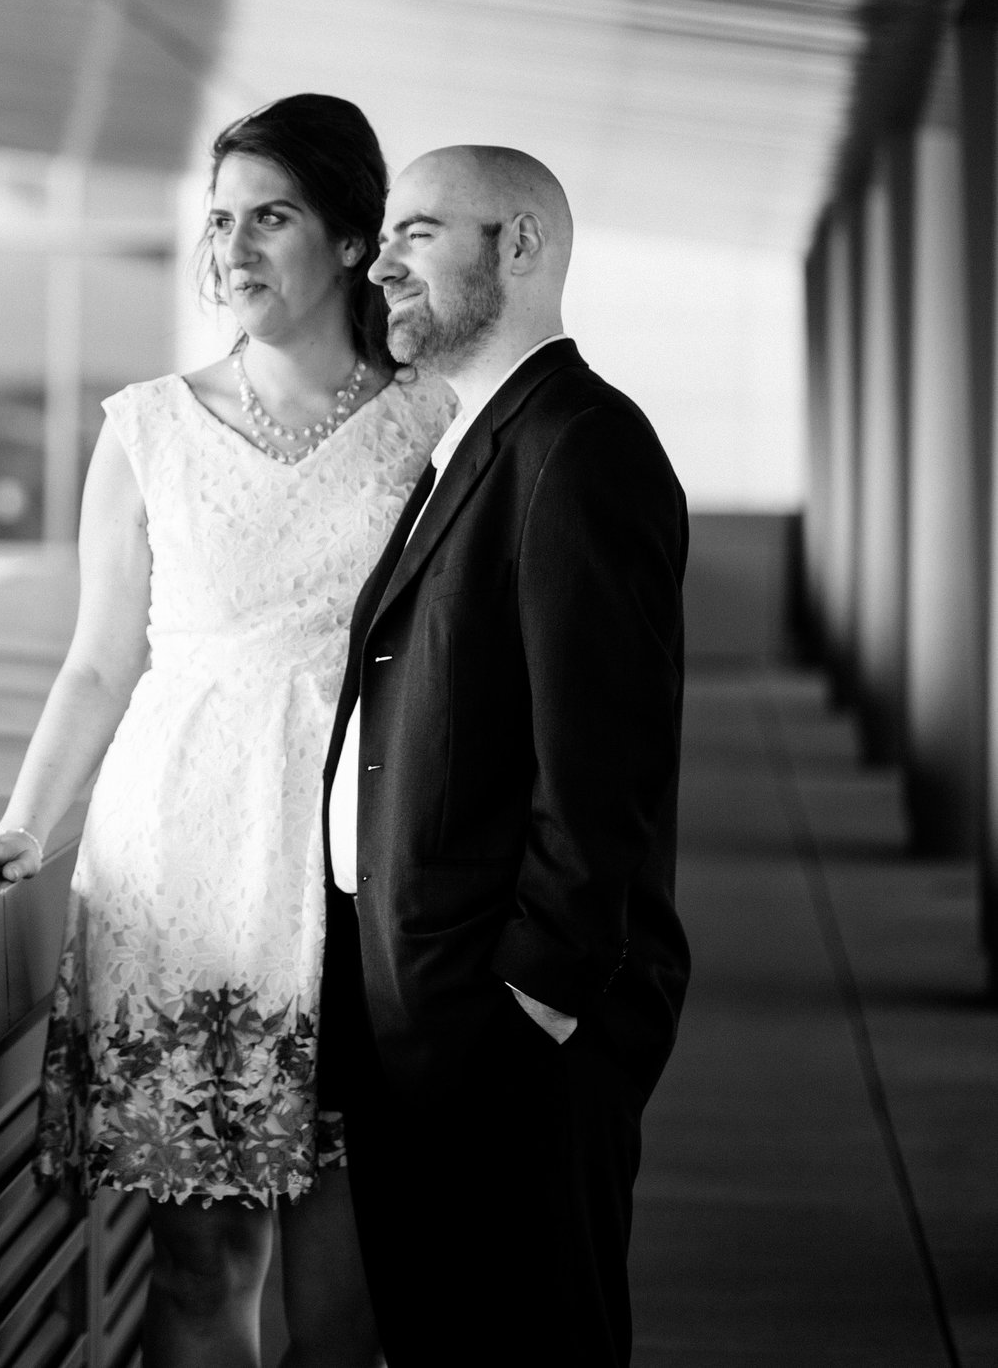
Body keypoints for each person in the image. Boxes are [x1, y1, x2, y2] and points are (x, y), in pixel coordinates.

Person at [0, 93, 452, 1368]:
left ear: (353, 241)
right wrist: (22, 825)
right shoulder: (144, 426)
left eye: (273, 215)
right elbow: (99, 659)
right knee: (202, 1260)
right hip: (181, 861)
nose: (234, 246)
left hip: (360, 863)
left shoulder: (430, 427)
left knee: (348, 1267)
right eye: (218, 218)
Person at [320, 146, 691, 1367]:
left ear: (516, 246)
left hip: (511, 1027)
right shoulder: (470, 439)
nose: (378, 263)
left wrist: (530, 998)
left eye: (418, 232)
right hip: (424, 1002)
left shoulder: (580, 446)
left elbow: (605, 765)